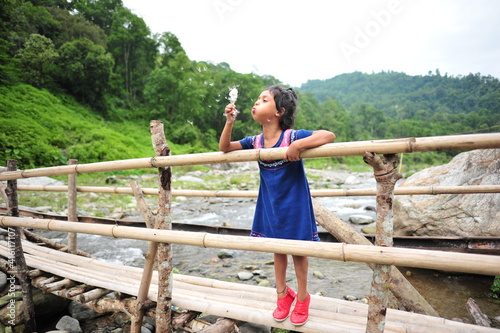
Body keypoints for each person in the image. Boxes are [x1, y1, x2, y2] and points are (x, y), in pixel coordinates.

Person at [219, 84, 336, 325]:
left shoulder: (291, 136)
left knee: (299, 251)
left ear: (279, 112)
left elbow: (328, 135)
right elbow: (225, 148)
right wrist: (229, 122)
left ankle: (302, 297)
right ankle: (282, 294)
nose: (256, 103)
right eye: (257, 99)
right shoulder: (256, 141)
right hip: (270, 205)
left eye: (263, 100)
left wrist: (297, 146)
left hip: (295, 205)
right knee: (277, 247)